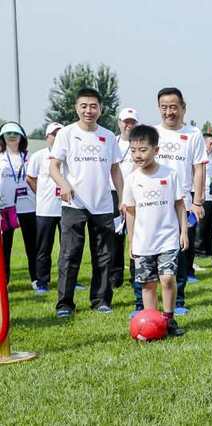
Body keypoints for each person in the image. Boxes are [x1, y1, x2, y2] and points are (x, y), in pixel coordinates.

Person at [49, 88, 124, 317]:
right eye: (84, 106)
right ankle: (65, 304)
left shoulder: (109, 136)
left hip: (102, 205)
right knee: (70, 255)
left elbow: (115, 170)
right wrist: (64, 184)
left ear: (100, 109)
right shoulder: (67, 134)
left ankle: (101, 300)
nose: (88, 110)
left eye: (93, 106)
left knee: (104, 255)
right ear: (76, 108)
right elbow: (54, 167)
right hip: (74, 205)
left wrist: (121, 199)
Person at [123, 124, 187, 336]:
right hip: (143, 242)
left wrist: (183, 231)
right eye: (133, 150)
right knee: (147, 284)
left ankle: (168, 320)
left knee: (168, 278)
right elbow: (130, 212)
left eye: (143, 149)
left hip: (168, 238)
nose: (137, 155)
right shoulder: (132, 179)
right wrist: (131, 241)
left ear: (156, 150)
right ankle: (152, 324)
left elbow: (179, 204)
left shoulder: (169, 174)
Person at [154, 87, 207, 315]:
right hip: (154, 204)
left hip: (183, 204)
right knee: (149, 253)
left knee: (182, 253)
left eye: (173, 107)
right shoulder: (151, 132)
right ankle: (144, 301)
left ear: (183, 108)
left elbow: (199, 170)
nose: (169, 112)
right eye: (164, 107)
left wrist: (197, 201)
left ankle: (179, 301)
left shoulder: (193, 134)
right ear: (159, 109)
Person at [26, 122, 64, 294]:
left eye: (59, 134)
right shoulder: (38, 156)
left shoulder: (68, 155)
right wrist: (41, 193)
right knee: (43, 248)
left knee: (68, 249)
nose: (56, 137)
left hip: (67, 208)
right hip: (45, 209)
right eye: (53, 134)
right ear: (46, 137)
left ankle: (69, 280)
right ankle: (42, 281)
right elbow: (30, 178)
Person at [0, 122, 37, 284]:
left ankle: (36, 279)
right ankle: (4, 281)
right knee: (5, 247)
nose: (12, 137)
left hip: (29, 207)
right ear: (2, 137)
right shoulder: (0, 158)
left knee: (33, 246)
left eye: (15, 133)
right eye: (8, 134)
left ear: (22, 136)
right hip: (6, 208)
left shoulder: (30, 158)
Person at [110, 107, 139, 290]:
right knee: (114, 237)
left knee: (136, 235)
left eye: (132, 122)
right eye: (125, 121)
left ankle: (137, 274)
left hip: (136, 194)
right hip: (113, 194)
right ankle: (115, 276)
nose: (128, 125)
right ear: (119, 123)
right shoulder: (111, 142)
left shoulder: (140, 143)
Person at [194, 132, 212, 258]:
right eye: (210, 143)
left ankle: (207, 250)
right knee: (200, 225)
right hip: (201, 196)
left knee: (209, 224)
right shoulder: (198, 158)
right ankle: (198, 250)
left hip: (211, 195)